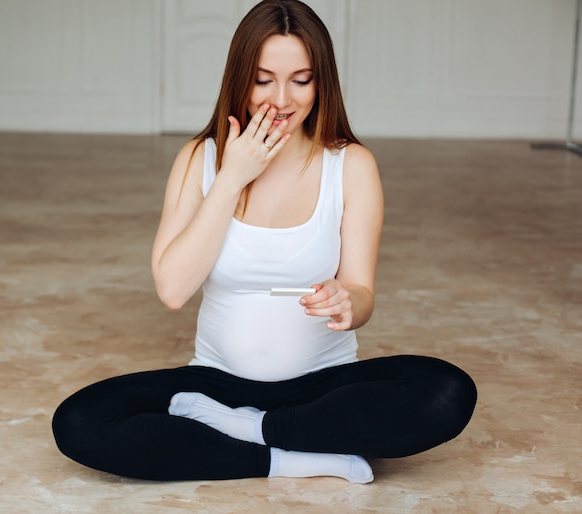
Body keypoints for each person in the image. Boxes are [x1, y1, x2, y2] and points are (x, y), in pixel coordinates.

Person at [52, 0, 476, 483]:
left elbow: (362, 295)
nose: (281, 99)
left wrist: (347, 301)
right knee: (79, 421)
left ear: (322, 82)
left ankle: (252, 431)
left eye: (301, 79)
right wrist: (232, 177)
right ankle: (286, 455)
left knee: (447, 390)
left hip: (322, 389)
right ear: (240, 79)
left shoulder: (352, 165)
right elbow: (172, 289)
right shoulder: (199, 159)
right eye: (263, 79)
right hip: (216, 388)